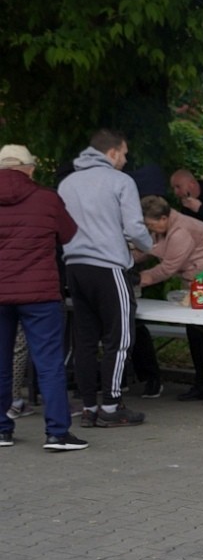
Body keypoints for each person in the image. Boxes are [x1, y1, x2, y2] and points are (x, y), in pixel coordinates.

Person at [57, 129, 153, 428]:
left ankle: (88, 406)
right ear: (111, 153)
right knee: (120, 337)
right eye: (123, 153)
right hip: (109, 265)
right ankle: (111, 407)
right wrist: (149, 246)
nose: (125, 160)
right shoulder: (120, 181)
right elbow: (134, 226)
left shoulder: (67, 183)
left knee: (84, 340)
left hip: (75, 265)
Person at [0, 143, 86, 451]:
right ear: (29, 168)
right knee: (49, 362)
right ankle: (57, 432)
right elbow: (68, 234)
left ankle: (1, 429)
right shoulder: (46, 198)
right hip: (39, 294)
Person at [137, 196, 203, 404]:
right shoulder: (164, 228)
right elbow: (148, 249)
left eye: (151, 224)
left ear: (164, 218)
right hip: (198, 280)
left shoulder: (181, 231)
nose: (150, 229)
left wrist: (138, 279)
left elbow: (168, 267)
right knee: (195, 332)